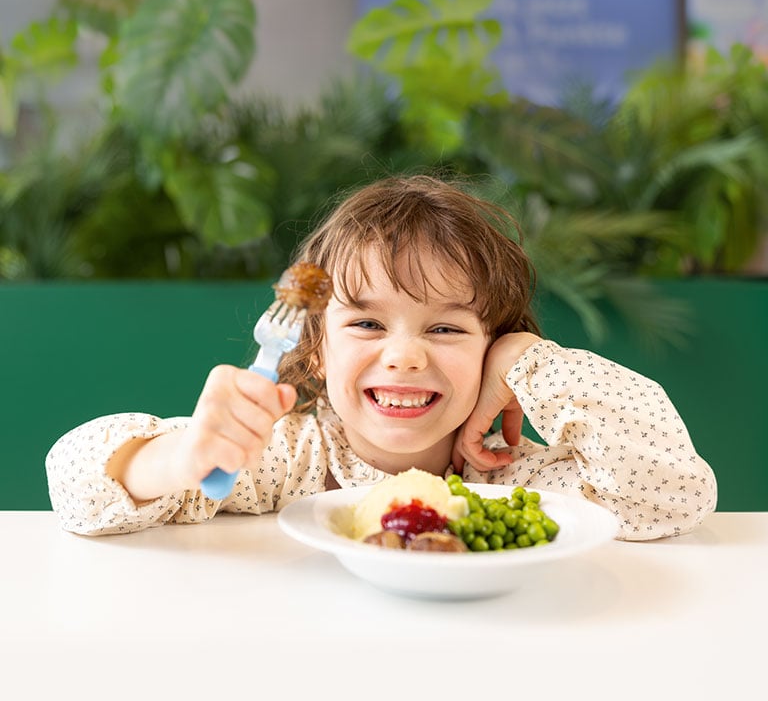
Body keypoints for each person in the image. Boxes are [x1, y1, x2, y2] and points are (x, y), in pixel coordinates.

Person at [46, 174, 717, 540]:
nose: (403, 357)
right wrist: (183, 455)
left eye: (448, 330)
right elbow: (73, 487)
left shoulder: (515, 486)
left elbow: (675, 497)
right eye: (367, 322)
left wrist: (529, 360)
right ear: (314, 344)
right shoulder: (285, 459)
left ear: (491, 360)